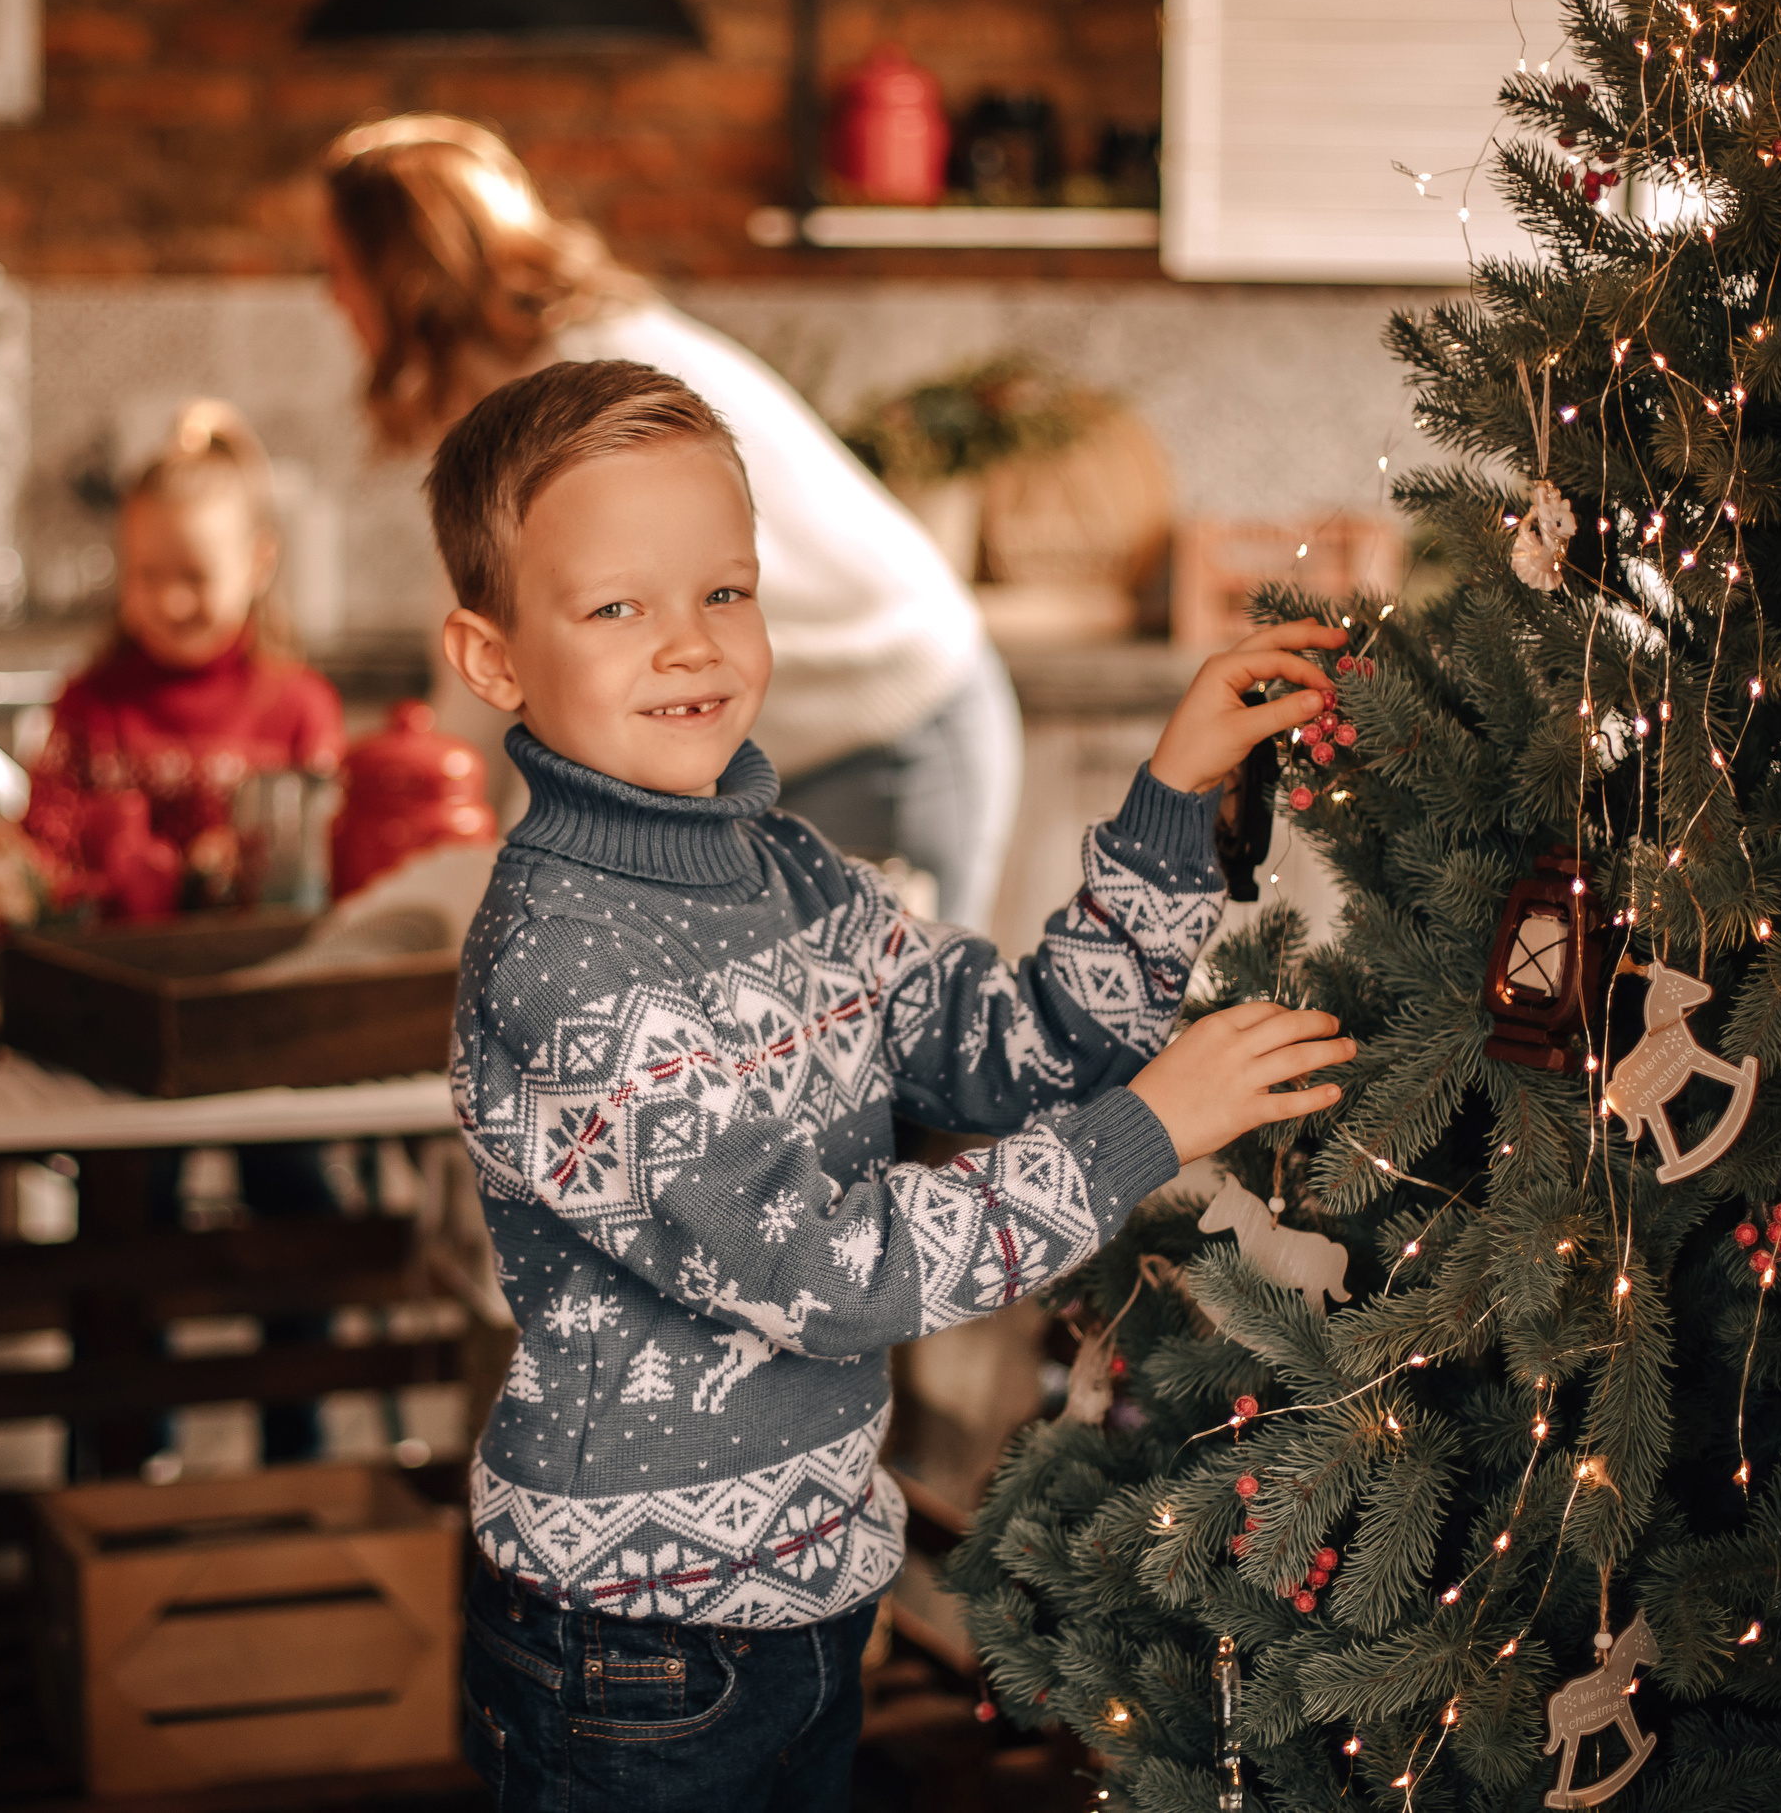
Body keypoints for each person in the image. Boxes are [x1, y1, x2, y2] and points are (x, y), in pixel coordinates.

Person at [432, 360, 1352, 1810]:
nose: (690, 645)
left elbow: (1028, 1046)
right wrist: (1145, 1134)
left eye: (724, 592)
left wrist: (1172, 791)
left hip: (805, 1593)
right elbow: (830, 1269)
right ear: (491, 658)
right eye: (618, 607)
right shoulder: (563, 964)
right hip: (633, 1650)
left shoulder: (786, 867)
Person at [322, 113, 1023, 929]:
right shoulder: (549, 372)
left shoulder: (565, 405)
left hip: (887, 734)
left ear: (402, 278)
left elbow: (518, 685)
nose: (331, 296)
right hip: (837, 733)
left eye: (338, 268)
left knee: (875, 1045)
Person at [19, 399, 344, 920]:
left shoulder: (303, 707)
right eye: (148, 576)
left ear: (259, 563)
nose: (170, 601)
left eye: (194, 577)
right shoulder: (86, 706)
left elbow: (325, 860)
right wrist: (17, 856)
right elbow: (44, 848)